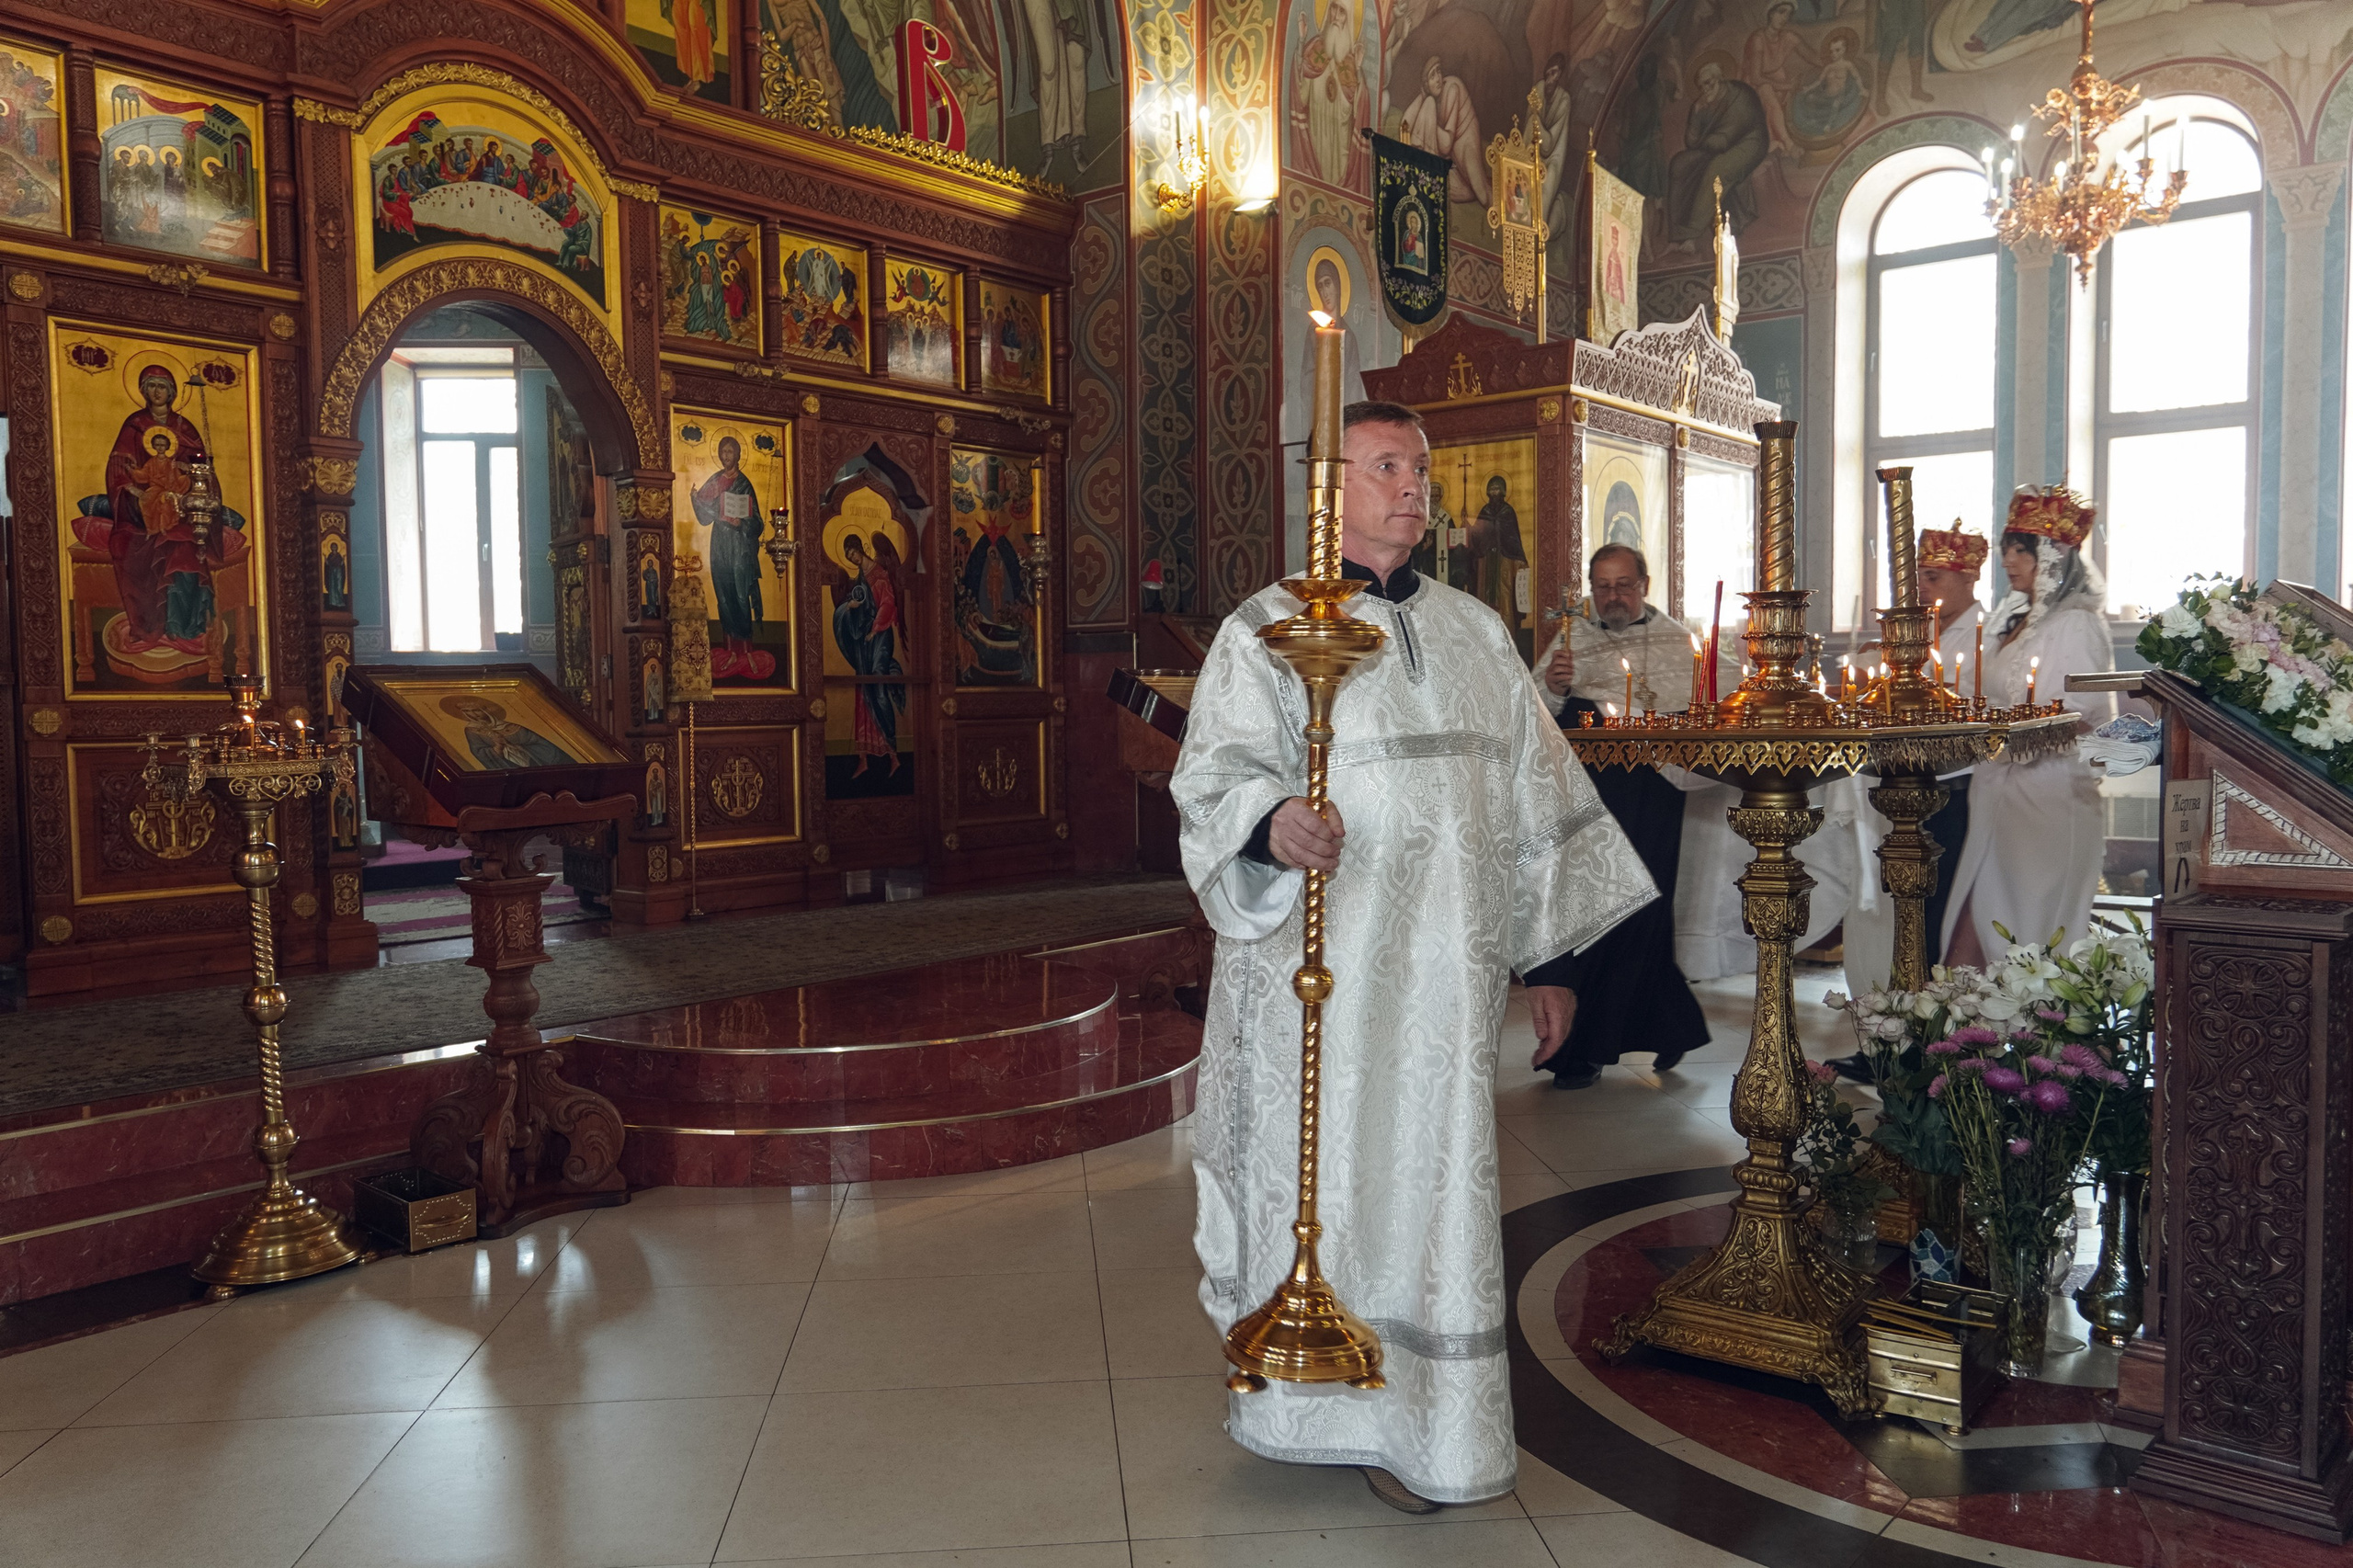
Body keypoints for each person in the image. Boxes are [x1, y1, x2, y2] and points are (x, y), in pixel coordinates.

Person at [1172, 400, 1654, 1512]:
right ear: (1328, 488)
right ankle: (1310, 1403)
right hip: (1320, 987)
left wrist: (1550, 960)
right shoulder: (1265, 627)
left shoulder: (1478, 632)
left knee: (1427, 1188)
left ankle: (1427, 1419)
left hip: (1443, 988)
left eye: (1420, 468)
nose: (1414, 486)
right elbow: (1211, 777)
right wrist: (1271, 819)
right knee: (1324, 1179)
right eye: (1387, 465)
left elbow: (1537, 803)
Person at [1526, 543, 1710, 1087]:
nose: (1613, 597)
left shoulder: (1678, 641)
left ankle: (1588, 1048)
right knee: (1593, 908)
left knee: (1640, 909)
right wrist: (1555, 687)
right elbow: (1536, 706)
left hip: (1652, 791)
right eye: (1602, 586)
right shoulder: (1574, 636)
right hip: (1587, 791)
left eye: (1623, 585)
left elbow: (1702, 709)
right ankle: (1665, 1027)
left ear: (1645, 584)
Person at [1830, 524, 1989, 1080]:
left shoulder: (1982, 638)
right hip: (1898, 789)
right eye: (1919, 576)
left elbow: (1970, 712)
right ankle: (1887, 1041)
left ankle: (1927, 1046)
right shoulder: (1915, 635)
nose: (1924, 587)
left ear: (1969, 577)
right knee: (1896, 917)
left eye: (1935, 576)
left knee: (1933, 920)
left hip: (1951, 793)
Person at [1942, 488, 2114, 968]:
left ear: (2053, 555)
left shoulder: (2075, 624)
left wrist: (2013, 735)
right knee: (1977, 909)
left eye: (2022, 549)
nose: (2008, 559)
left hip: (2049, 791)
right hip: (1995, 785)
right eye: (2007, 548)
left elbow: (2081, 715)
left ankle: (2032, 1028)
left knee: (2031, 920)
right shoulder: (2014, 622)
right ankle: (1960, 1032)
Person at [691, 435, 773, 681]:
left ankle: (746, 650)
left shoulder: (745, 484)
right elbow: (705, 514)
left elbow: (757, 522)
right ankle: (728, 650)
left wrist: (742, 522)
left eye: (730, 452)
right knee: (723, 595)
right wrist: (695, 499)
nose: (726, 457)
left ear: (738, 455)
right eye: (723, 452)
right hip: (719, 543)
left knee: (739, 595)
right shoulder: (715, 481)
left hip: (738, 546)